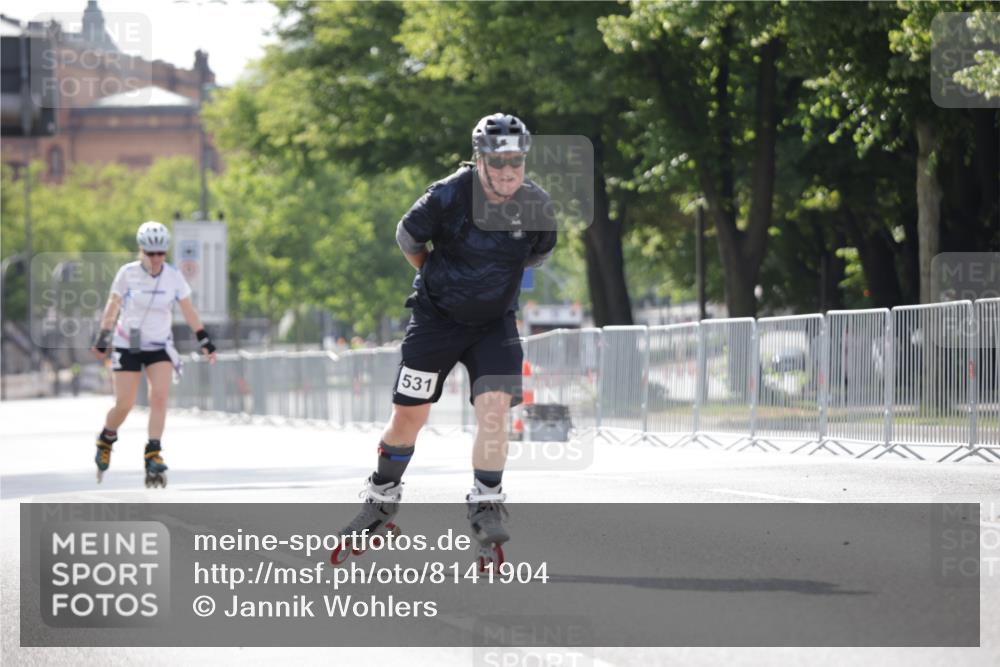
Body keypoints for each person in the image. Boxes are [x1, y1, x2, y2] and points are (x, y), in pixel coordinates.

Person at [338, 113, 557, 566]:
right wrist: (441, 277)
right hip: (435, 320)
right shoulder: (448, 194)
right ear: (479, 160)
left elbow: (536, 254)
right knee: (408, 417)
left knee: (494, 409)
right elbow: (408, 239)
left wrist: (489, 283)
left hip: (494, 325)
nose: (508, 172)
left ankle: (486, 502)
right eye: (498, 163)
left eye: (516, 162)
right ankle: (381, 499)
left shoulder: (536, 204)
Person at [90, 221, 218, 487]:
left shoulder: (173, 276)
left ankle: (153, 452)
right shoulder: (127, 273)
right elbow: (113, 304)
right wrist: (103, 336)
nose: (156, 258)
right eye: (151, 253)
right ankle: (106, 437)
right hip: (128, 343)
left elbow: (188, 309)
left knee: (159, 396)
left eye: (161, 253)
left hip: (159, 344)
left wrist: (203, 338)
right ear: (141, 250)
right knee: (125, 404)